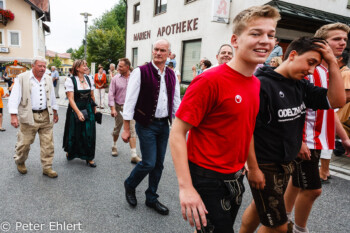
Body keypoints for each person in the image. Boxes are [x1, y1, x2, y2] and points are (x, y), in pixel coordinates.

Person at [169, 5, 280, 233]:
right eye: (256, 33)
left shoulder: (255, 82)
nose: (265, 41)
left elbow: (246, 128)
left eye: (270, 35)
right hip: (207, 178)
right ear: (235, 40)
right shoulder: (209, 81)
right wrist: (186, 188)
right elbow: (178, 132)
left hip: (236, 175)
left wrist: (253, 166)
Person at [240, 37, 345, 233]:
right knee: (278, 226)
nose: (311, 70)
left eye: (316, 65)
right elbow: (246, 130)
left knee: (259, 208)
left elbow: (337, 100)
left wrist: (332, 62)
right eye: (310, 62)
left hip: (285, 163)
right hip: (265, 165)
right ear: (293, 55)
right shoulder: (261, 85)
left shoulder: (300, 85)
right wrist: (253, 168)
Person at [283, 23, 350, 233]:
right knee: (313, 190)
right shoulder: (311, 68)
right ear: (321, 42)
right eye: (336, 39)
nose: (342, 43)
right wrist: (300, 139)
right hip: (307, 140)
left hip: (317, 139)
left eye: (345, 40)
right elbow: (296, 106)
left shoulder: (329, 69)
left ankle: (281, 222)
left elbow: (330, 108)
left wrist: (344, 138)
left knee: (296, 183)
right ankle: (298, 229)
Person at [121, 38, 181, 215]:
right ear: (152, 51)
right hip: (146, 124)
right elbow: (130, 101)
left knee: (159, 164)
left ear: (169, 53)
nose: (158, 53)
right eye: (156, 49)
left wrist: (178, 124)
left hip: (164, 125)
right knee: (148, 162)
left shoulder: (171, 74)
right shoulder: (140, 72)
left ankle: (151, 197)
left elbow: (176, 101)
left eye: (163, 50)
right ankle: (130, 184)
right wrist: (126, 128)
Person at [8, 56, 59, 178]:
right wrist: (13, 116)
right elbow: (14, 97)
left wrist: (55, 112)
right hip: (29, 116)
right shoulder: (22, 78)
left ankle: (47, 167)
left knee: (48, 144)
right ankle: (20, 161)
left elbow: (52, 97)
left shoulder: (48, 78)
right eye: (40, 66)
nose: (42, 68)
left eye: (44, 66)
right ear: (33, 66)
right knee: (24, 143)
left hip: (46, 115)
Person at [63, 60, 97, 167]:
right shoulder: (70, 80)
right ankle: (71, 152)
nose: (86, 67)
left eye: (86, 65)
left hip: (88, 107)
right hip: (75, 107)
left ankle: (89, 157)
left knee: (89, 132)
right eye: (84, 65)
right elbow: (71, 99)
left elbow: (92, 95)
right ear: (77, 68)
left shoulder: (89, 79)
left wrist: (94, 108)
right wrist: (77, 112)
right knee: (75, 131)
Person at [108, 58, 141, 164]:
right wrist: (112, 108)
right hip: (119, 107)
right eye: (118, 65)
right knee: (117, 127)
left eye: (120, 66)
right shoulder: (115, 79)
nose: (118, 68)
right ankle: (114, 145)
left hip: (131, 108)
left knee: (132, 130)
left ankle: (133, 154)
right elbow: (111, 94)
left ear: (127, 67)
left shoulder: (135, 78)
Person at [333, 51, 350, 157]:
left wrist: (334, 105)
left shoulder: (346, 73)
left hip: (342, 112)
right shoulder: (340, 72)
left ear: (340, 59)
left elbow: (348, 95)